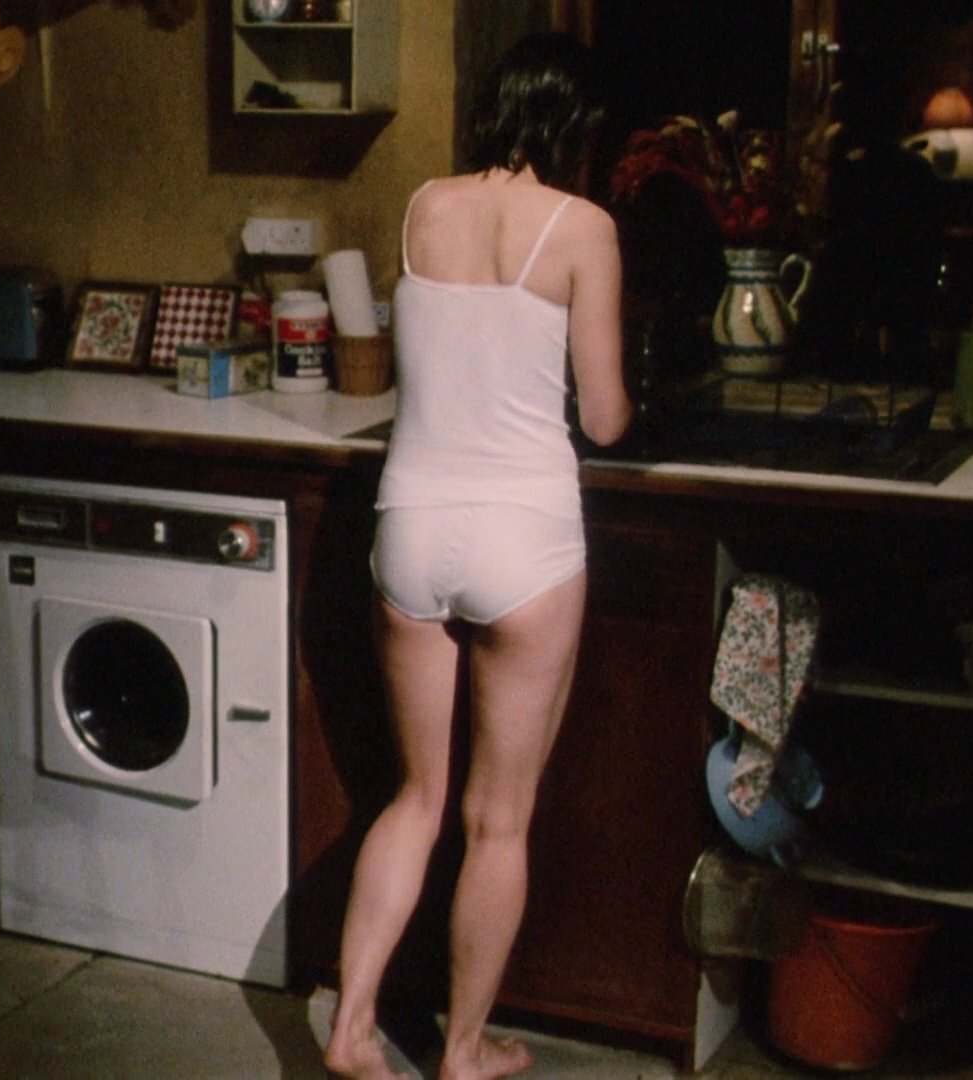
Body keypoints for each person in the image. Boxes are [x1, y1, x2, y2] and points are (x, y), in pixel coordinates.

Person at [324, 32, 631, 1080]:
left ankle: (351, 1028)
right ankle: (462, 1051)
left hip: (411, 523)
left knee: (414, 800)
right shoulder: (584, 228)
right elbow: (605, 417)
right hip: (523, 538)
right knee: (498, 822)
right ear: (578, 127)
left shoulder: (425, 207)